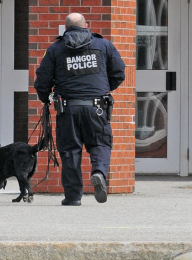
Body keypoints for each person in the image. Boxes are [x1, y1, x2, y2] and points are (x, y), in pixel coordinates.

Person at [34, 12, 125, 206]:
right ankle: (99, 173)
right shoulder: (103, 45)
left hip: (68, 109)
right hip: (97, 108)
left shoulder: (55, 49)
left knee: (70, 151)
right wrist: (101, 89)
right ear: (87, 26)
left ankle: (73, 196)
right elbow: (119, 73)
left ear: (65, 29)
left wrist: (45, 98)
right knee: (100, 144)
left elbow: (42, 79)